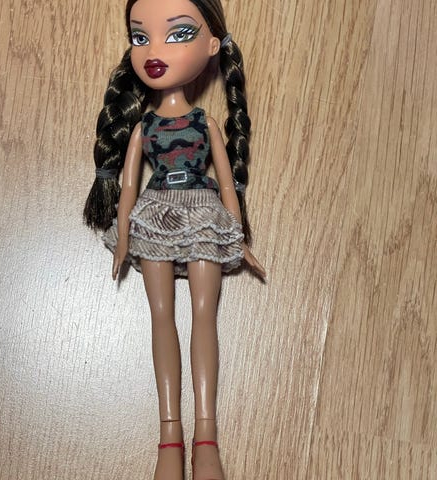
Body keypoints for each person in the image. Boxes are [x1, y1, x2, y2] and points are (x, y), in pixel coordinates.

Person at [84, 0, 265, 478]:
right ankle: (169, 440)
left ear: (212, 45)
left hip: (203, 213)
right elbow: (128, 187)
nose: (154, 51)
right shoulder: (143, 127)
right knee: (160, 317)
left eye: (179, 34)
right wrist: (124, 237)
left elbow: (227, 185)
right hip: (156, 213)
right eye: (140, 37)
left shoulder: (206, 123)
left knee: (204, 317)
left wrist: (237, 236)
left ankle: (206, 441)